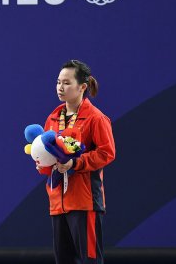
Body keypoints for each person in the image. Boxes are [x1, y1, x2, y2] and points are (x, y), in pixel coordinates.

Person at [42, 60, 116, 264]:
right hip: (58, 202)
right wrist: (42, 162)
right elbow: (49, 153)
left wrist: (75, 163)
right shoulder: (53, 118)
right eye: (58, 82)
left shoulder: (96, 118)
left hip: (85, 202)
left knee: (90, 260)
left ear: (82, 87)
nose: (60, 87)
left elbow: (107, 153)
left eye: (66, 83)